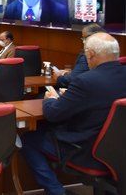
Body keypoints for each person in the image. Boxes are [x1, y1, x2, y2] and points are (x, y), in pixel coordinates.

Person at [21, 32, 126, 195]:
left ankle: (55, 191)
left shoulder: (86, 81)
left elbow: (53, 114)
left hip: (88, 152)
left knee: (29, 139)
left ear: (90, 54)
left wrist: (49, 99)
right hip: (119, 153)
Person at [54, 23, 105, 88]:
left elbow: (73, 80)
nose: (83, 41)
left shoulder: (87, 56)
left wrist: (58, 77)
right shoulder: (107, 54)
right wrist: (71, 73)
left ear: (91, 37)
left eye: (84, 38)